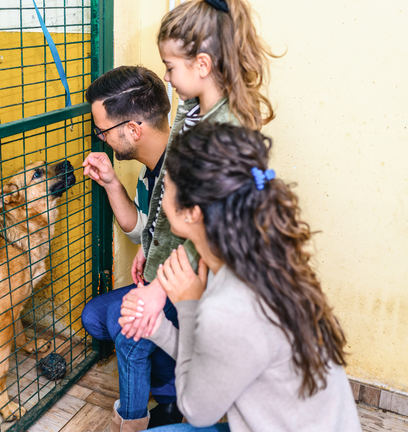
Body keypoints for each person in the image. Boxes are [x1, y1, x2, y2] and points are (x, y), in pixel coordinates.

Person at [82, 0, 280, 430]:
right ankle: (179, 396)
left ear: (202, 64)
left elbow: (206, 224)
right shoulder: (193, 110)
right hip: (185, 272)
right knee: (115, 319)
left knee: (137, 332)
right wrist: (150, 251)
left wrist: (155, 290)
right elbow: (165, 216)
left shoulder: (221, 127)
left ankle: (165, 410)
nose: (167, 77)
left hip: (218, 280)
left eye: (170, 67)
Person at [120, 121, 363, 432]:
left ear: (191, 212)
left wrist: (188, 305)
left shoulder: (231, 302)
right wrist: (159, 328)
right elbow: (214, 366)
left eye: (165, 187)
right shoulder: (257, 257)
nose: (159, 196)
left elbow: (197, 409)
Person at [80, 65, 183, 430]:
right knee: (95, 317)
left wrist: (150, 301)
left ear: (133, 129)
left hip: (196, 291)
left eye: (104, 130)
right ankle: (170, 384)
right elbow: (139, 229)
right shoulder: (148, 168)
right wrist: (109, 182)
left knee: (129, 329)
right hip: (162, 279)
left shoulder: (186, 171)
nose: (101, 138)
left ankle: (142, 417)